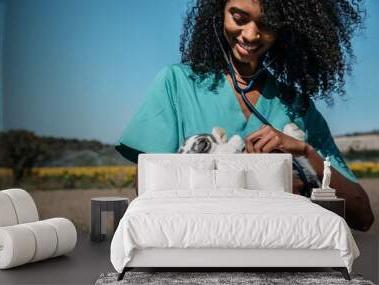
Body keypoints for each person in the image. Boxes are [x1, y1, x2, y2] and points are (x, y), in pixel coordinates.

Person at [115, 0, 374, 231]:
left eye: (267, 24)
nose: (251, 34)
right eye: (239, 18)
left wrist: (304, 154)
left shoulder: (298, 107)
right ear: (219, 13)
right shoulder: (176, 84)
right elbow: (149, 196)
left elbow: (362, 216)